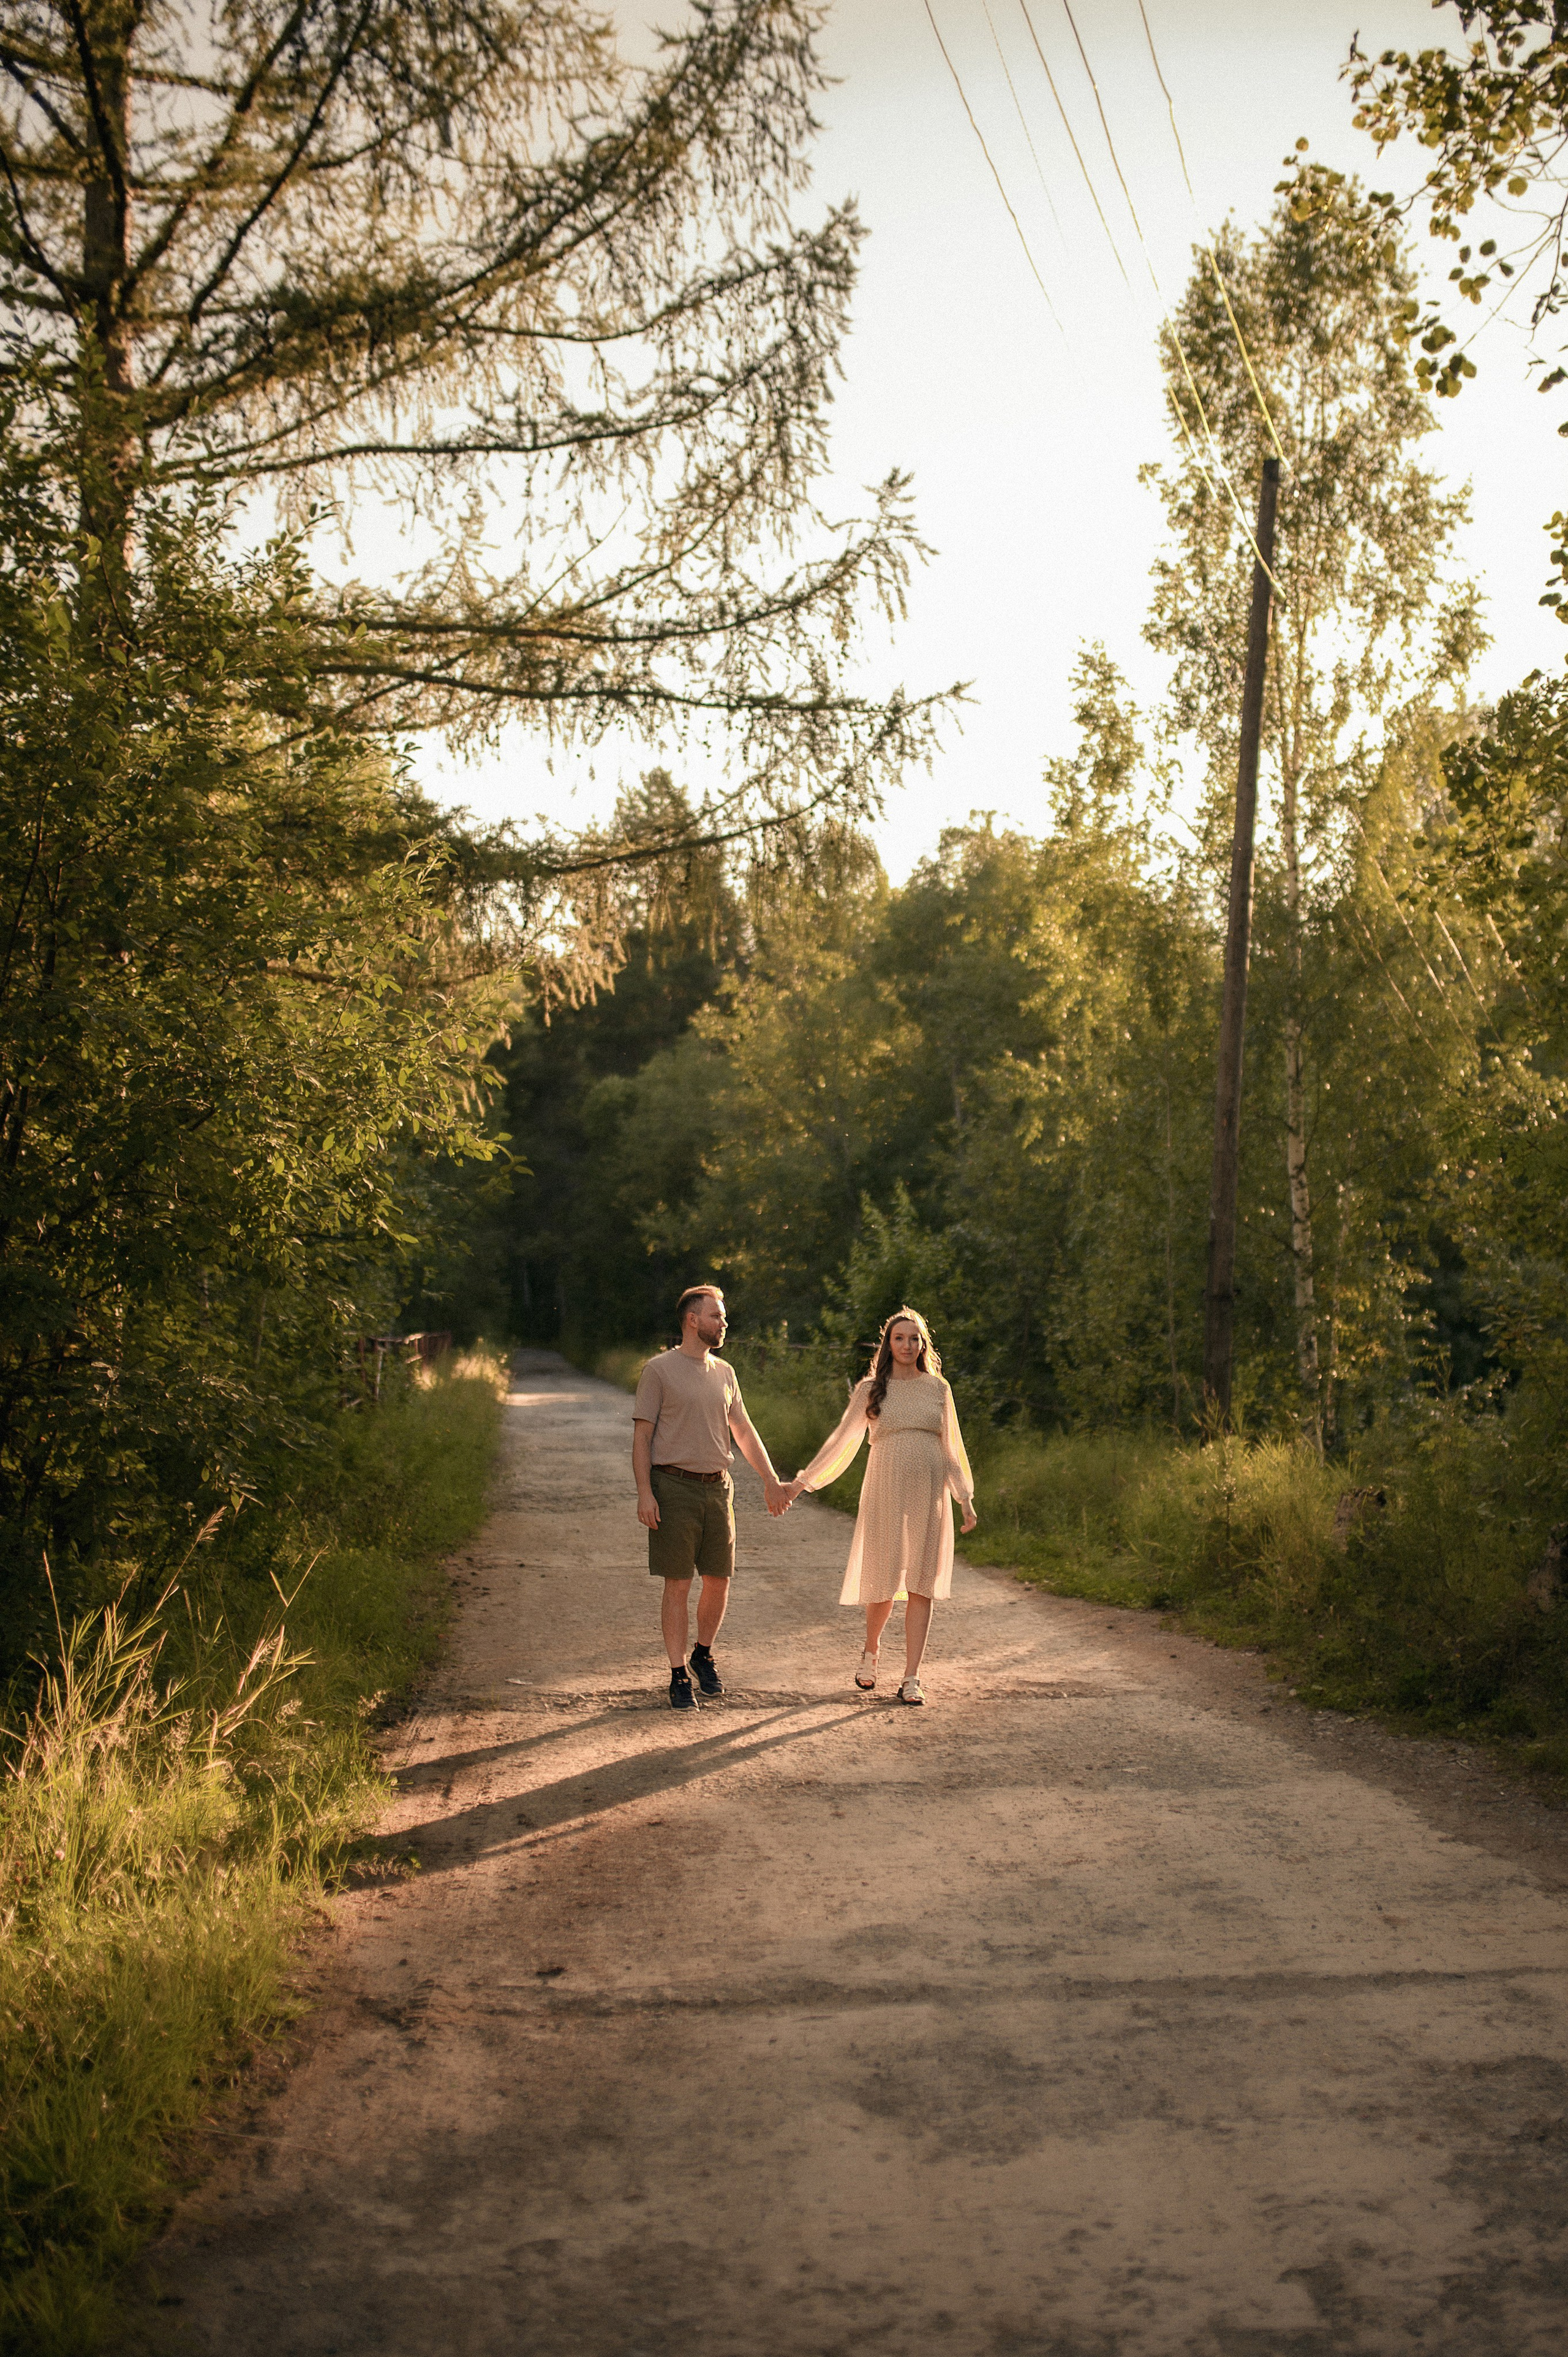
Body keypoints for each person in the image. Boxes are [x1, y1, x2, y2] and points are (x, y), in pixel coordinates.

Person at [782, 1307, 976, 1706]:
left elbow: (951, 1446)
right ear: (888, 1345)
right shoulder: (871, 1389)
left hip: (930, 1492)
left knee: (921, 1582)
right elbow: (842, 1441)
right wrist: (801, 1483)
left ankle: (912, 1677)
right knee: (884, 1578)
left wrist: (965, 1498)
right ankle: (871, 1652)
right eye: (899, 1338)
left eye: (915, 1338)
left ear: (924, 1344)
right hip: (885, 1489)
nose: (908, 1345)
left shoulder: (938, 1388)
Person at [633, 1284, 788, 1710]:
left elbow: (744, 1431)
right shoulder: (659, 1371)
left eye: (723, 1316)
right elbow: (642, 1437)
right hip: (673, 1487)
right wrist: (645, 1493)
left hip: (719, 1488)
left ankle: (703, 1655)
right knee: (679, 1583)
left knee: (719, 1579)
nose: (724, 1323)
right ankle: (678, 1674)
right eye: (716, 1316)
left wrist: (771, 1480)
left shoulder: (725, 1372)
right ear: (692, 1320)